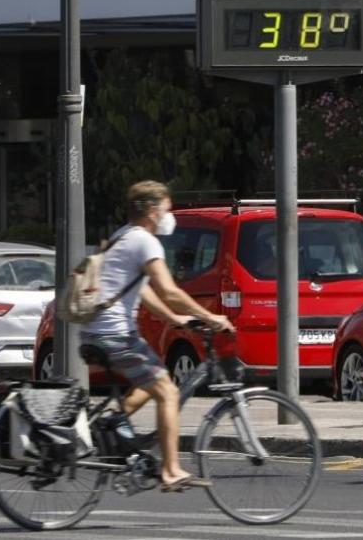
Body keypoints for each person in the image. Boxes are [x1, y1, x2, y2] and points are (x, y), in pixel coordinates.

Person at [81, 180, 234, 492]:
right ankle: (171, 470)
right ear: (151, 211)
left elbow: (144, 291)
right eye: (167, 208)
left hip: (94, 333)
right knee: (167, 390)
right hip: (115, 335)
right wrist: (211, 317)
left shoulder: (122, 235)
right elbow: (169, 290)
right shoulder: (145, 241)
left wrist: (176, 319)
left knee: (153, 377)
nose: (170, 215)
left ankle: (112, 421)